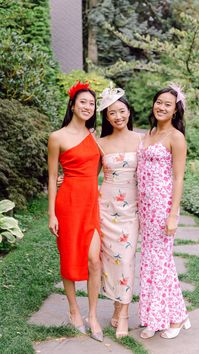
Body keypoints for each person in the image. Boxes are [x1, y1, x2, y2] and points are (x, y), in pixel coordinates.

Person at [48, 81, 103, 342]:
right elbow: (51, 178)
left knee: (94, 260)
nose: (88, 107)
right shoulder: (57, 137)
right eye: (83, 102)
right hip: (68, 204)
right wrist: (51, 214)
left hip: (91, 203)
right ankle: (73, 310)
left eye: (92, 103)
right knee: (69, 258)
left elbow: (99, 166)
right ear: (73, 104)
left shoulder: (94, 135)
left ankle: (93, 314)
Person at [137, 84, 190, 339]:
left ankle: (172, 318)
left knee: (160, 262)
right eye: (159, 101)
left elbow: (179, 178)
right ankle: (161, 316)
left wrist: (172, 215)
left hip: (163, 208)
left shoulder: (176, 137)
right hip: (145, 209)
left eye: (168, 104)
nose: (161, 107)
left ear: (175, 109)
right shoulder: (148, 133)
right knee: (151, 262)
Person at [96, 86, 141, 338]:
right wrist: (64, 180)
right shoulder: (99, 143)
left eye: (122, 111)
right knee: (110, 261)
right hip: (106, 208)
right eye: (112, 113)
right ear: (107, 117)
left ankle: (124, 314)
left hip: (132, 210)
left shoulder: (141, 139)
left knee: (125, 259)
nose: (118, 116)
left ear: (128, 112)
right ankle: (116, 305)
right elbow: (89, 176)